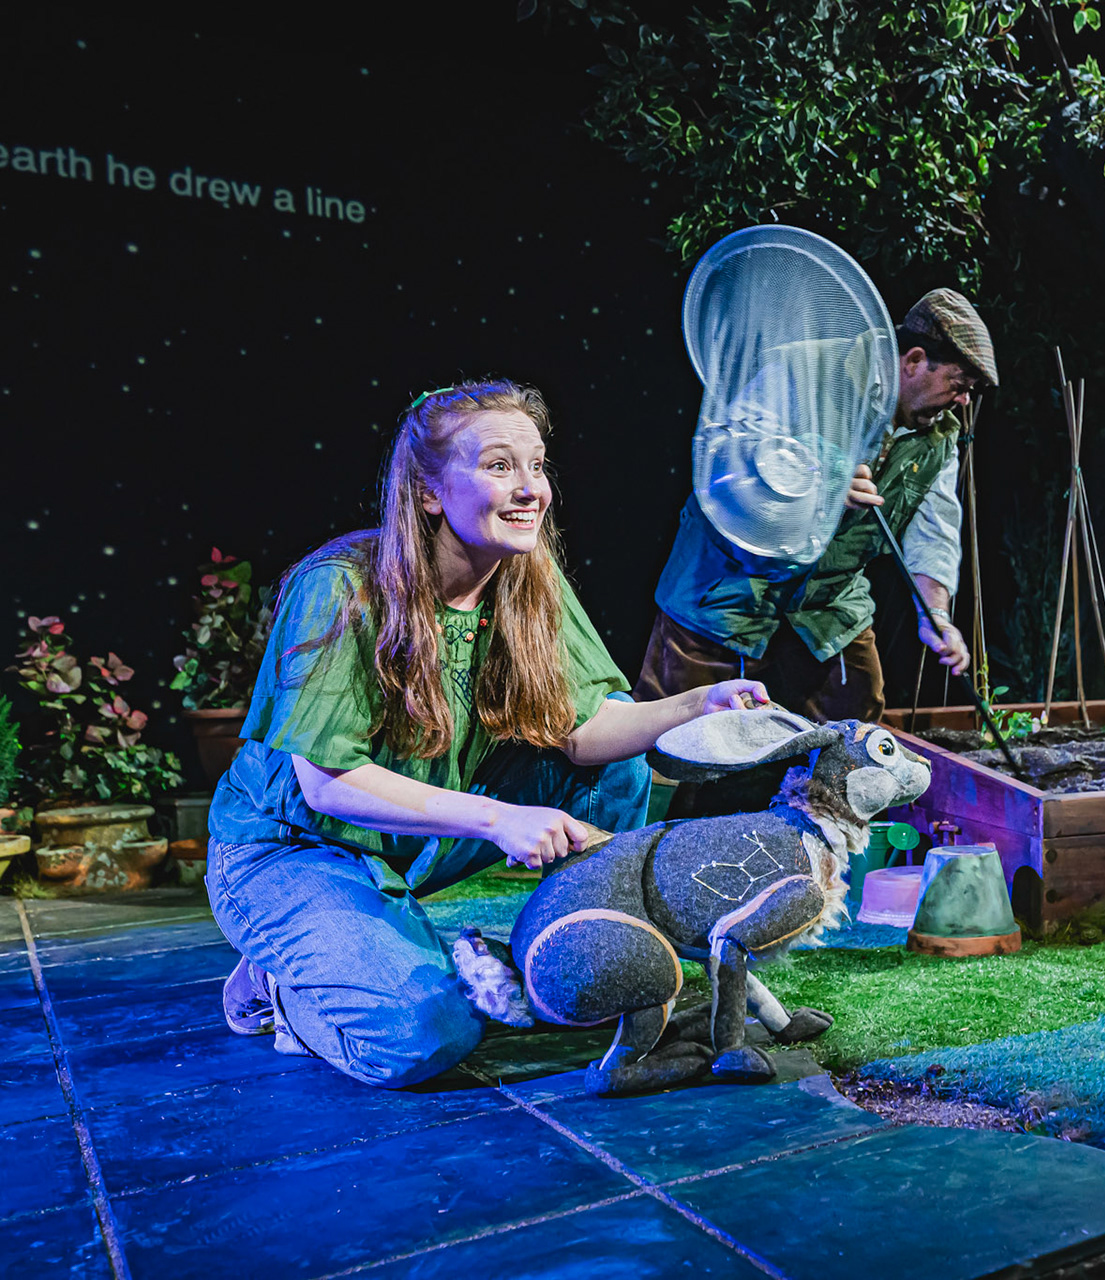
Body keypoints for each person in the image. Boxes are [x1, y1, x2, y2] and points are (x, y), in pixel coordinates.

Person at [206, 381, 765, 1088]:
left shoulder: (525, 579)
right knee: (423, 1038)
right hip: (290, 849)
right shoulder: (342, 586)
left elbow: (585, 729)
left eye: (537, 467)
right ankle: (280, 985)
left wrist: (694, 705)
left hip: (410, 841)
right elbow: (327, 785)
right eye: (500, 466)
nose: (531, 489)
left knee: (617, 769)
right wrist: (499, 818)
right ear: (430, 492)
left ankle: (586, 951)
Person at [640, 288, 997, 721]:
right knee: (681, 734)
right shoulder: (804, 369)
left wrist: (934, 613)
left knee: (858, 723)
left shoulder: (939, 435)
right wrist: (820, 473)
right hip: (728, 588)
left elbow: (935, 527)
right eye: (959, 386)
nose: (964, 401)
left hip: (827, 603)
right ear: (915, 360)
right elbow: (728, 451)